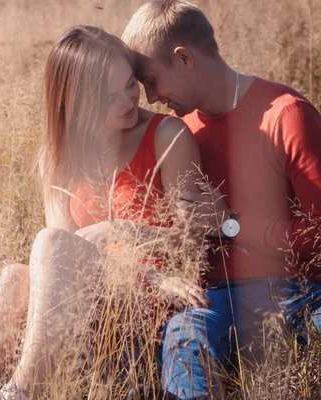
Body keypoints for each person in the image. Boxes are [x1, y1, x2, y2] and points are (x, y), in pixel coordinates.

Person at [0, 25, 210, 400]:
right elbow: (65, 262)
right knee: (15, 278)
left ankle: (22, 391)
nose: (128, 102)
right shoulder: (59, 157)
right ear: (74, 102)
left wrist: (121, 233)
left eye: (130, 84)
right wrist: (125, 251)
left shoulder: (168, 136)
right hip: (91, 309)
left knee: (49, 243)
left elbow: (195, 240)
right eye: (108, 96)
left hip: (155, 301)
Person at [122, 1, 321, 398]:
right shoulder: (176, 133)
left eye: (152, 81)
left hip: (304, 291)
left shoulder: (286, 115)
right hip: (218, 301)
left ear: (183, 59)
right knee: (184, 344)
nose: (151, 97)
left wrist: (231, 223)